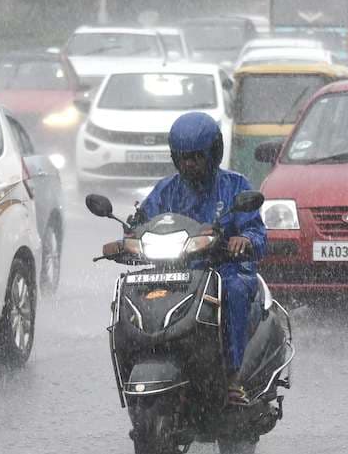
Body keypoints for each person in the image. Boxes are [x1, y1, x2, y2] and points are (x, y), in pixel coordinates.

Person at [103, 112, 266, 404]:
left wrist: (245, 239)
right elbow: (140, 224)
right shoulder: (166, 190)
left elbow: (256, 230)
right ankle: (137, 364)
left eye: (196, 157)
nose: (189, 164)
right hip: (174, 272)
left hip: (222, 270)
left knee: (236, 292)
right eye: (183, 157)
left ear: (213, 154)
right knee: (129, 292)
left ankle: (232, 376)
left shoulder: (235, 186)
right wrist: (125, 242)